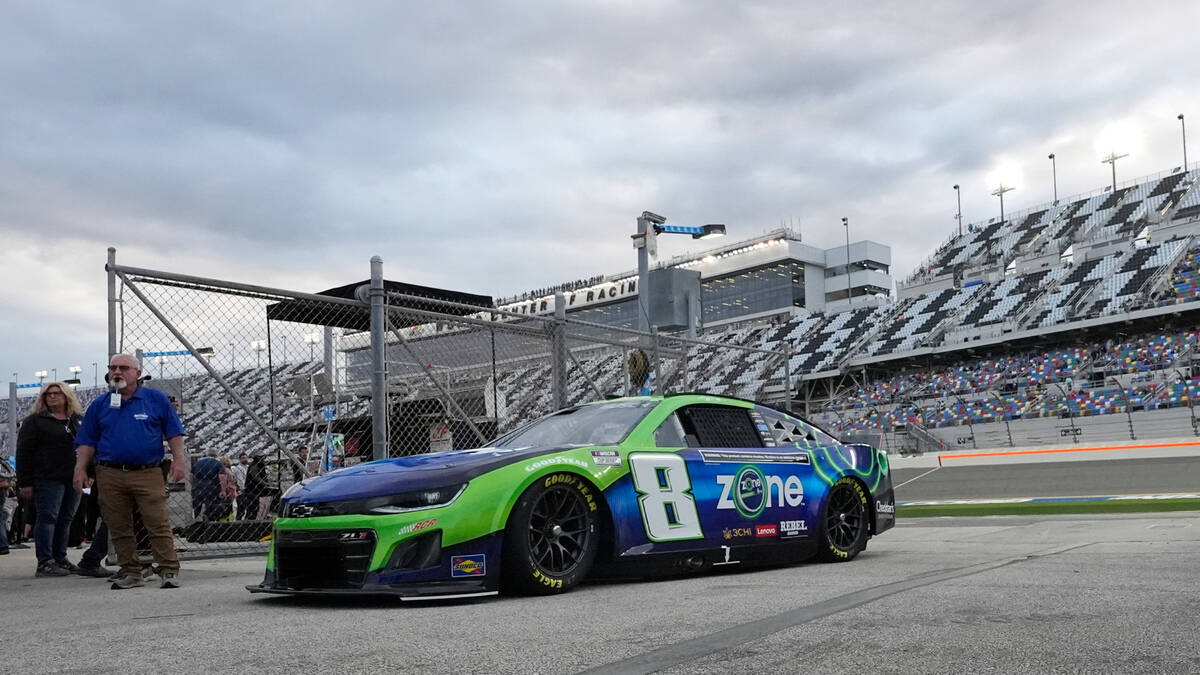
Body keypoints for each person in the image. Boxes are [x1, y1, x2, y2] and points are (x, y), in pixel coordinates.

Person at [73, 354, 187, 590]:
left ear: (137, 373)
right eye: (113, 367)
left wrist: (179, 460)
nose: (117, 372)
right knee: (118, 524)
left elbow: (174, 432)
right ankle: (130, 570)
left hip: (148, 471)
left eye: (124, 368)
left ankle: (169, 569)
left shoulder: (155, 399)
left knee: (157, 522)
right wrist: (80, 468)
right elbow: (87, 441)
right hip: (109, 473)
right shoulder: (100, 404)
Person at [16, 382, 84, 578]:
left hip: (72, 477)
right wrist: (25, 482)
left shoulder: (76, 420)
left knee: (66, 519)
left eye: (57, 393)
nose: (52, 397)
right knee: (47, 518)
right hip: (47, 478)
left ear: (66, 397)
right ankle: (45, 562)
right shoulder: (35, 421)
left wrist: (88, 473)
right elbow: (24, 452)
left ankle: (60, 558)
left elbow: (87, 447)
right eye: (48, 394)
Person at [190, 451, 225, 521]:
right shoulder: (218, 463)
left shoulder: (197, 463)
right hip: (212, 488)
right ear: (216, 456)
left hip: (198, 488)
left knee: (197, 507)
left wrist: (193, 486)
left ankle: (197, 522)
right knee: (212, 507)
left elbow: (191, 475)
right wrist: (223, 490)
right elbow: (222, 477)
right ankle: (210, 523)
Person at [231, 452, 249, 519]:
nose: (245, 459)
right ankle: (238, 522)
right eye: (243, 458)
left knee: (245, 509)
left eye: (246, 458)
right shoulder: (238, 468)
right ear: (240, 460)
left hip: (247, 491)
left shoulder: (247, 467)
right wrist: (242, 488)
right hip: (241, 492)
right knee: (241, 509)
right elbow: (240, 481)